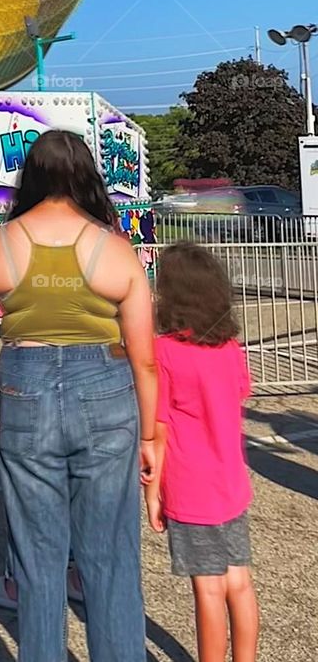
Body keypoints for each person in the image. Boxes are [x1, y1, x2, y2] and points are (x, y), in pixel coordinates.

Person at [0, 129, 157, 662]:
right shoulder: (114, 248)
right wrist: (153, 435)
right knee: (110, 556)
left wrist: (13, 383)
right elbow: (144, 357)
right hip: (108, 394)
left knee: (37, 562)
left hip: (26, 385)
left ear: (32, 175)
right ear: (86, 175)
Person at [145, 244, 258, 662]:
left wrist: (153, 491)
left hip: (191, 486)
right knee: (239, 582)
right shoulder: (230, 349)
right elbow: (240, 393)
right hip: (232, 482)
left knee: (208, 588)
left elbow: (158, 428)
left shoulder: (167, 352)